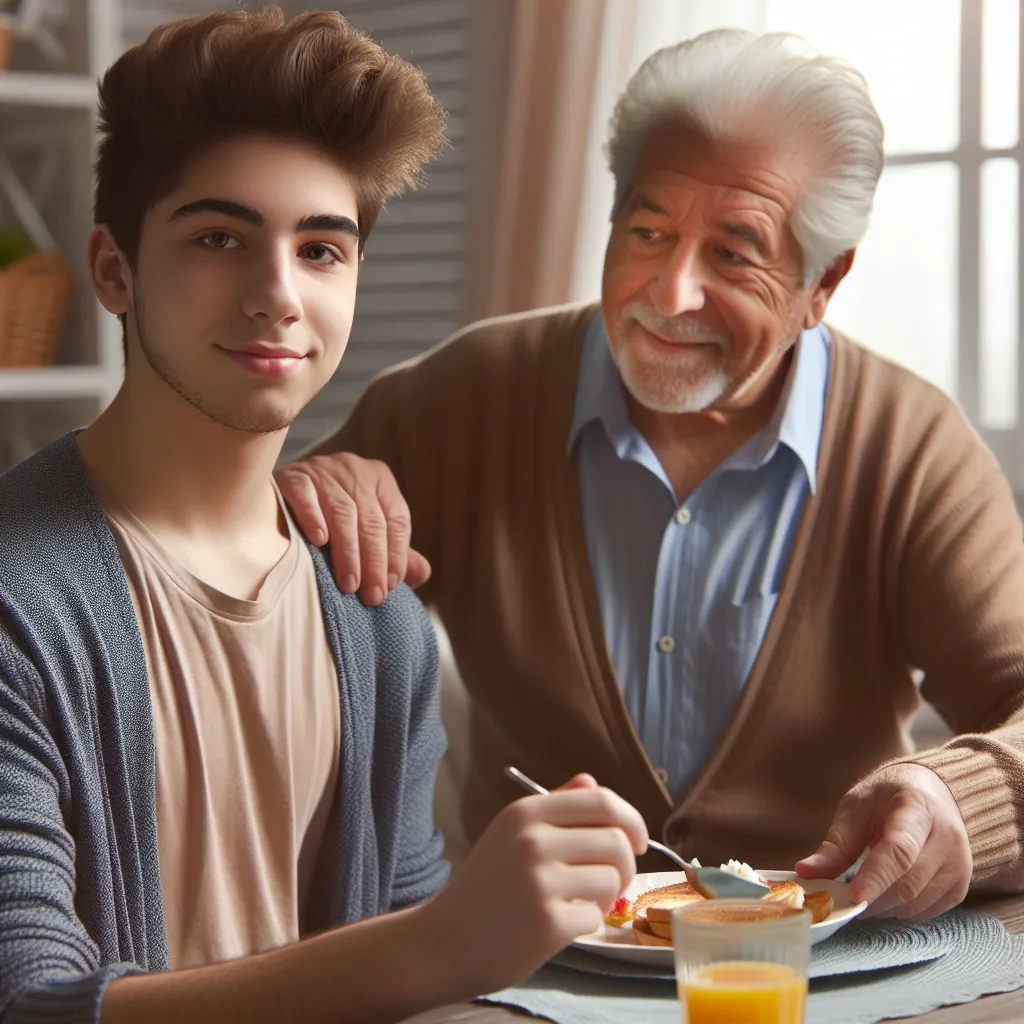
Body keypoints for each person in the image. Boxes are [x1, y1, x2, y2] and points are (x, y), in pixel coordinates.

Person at [279, 27, 1024, 925]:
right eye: (647, 230)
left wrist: (957, 799)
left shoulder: (912, 451)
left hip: (816, 977)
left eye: (735, 252)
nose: (668, 294)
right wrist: (302, 499)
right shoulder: (462, 398)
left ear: (823, 283)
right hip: (525, 970)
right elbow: (238, 578)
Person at [0, 9, 651, 1022]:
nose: (277, 294)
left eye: (320, 249)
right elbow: (28, 1001)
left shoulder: (374, 611)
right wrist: (442, 942)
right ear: (113, 268)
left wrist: (477, 937)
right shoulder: (17, 605)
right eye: (219, 237)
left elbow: (411, 960)